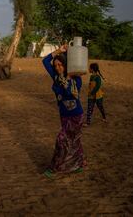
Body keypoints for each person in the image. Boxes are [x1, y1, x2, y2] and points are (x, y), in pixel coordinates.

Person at [42, 44, 85, 178]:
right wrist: (59, 51)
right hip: (64, 115)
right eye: (56, 66)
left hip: (76, 115)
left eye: (60, 65)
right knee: (74, 140)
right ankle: (79, 164)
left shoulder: (76, 79)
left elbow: (71, 94)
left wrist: (65, 82)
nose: (57, 67)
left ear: (66, 65)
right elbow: (44, 61)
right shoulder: (56, 77)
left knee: (62, 140)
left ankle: (55, 168)